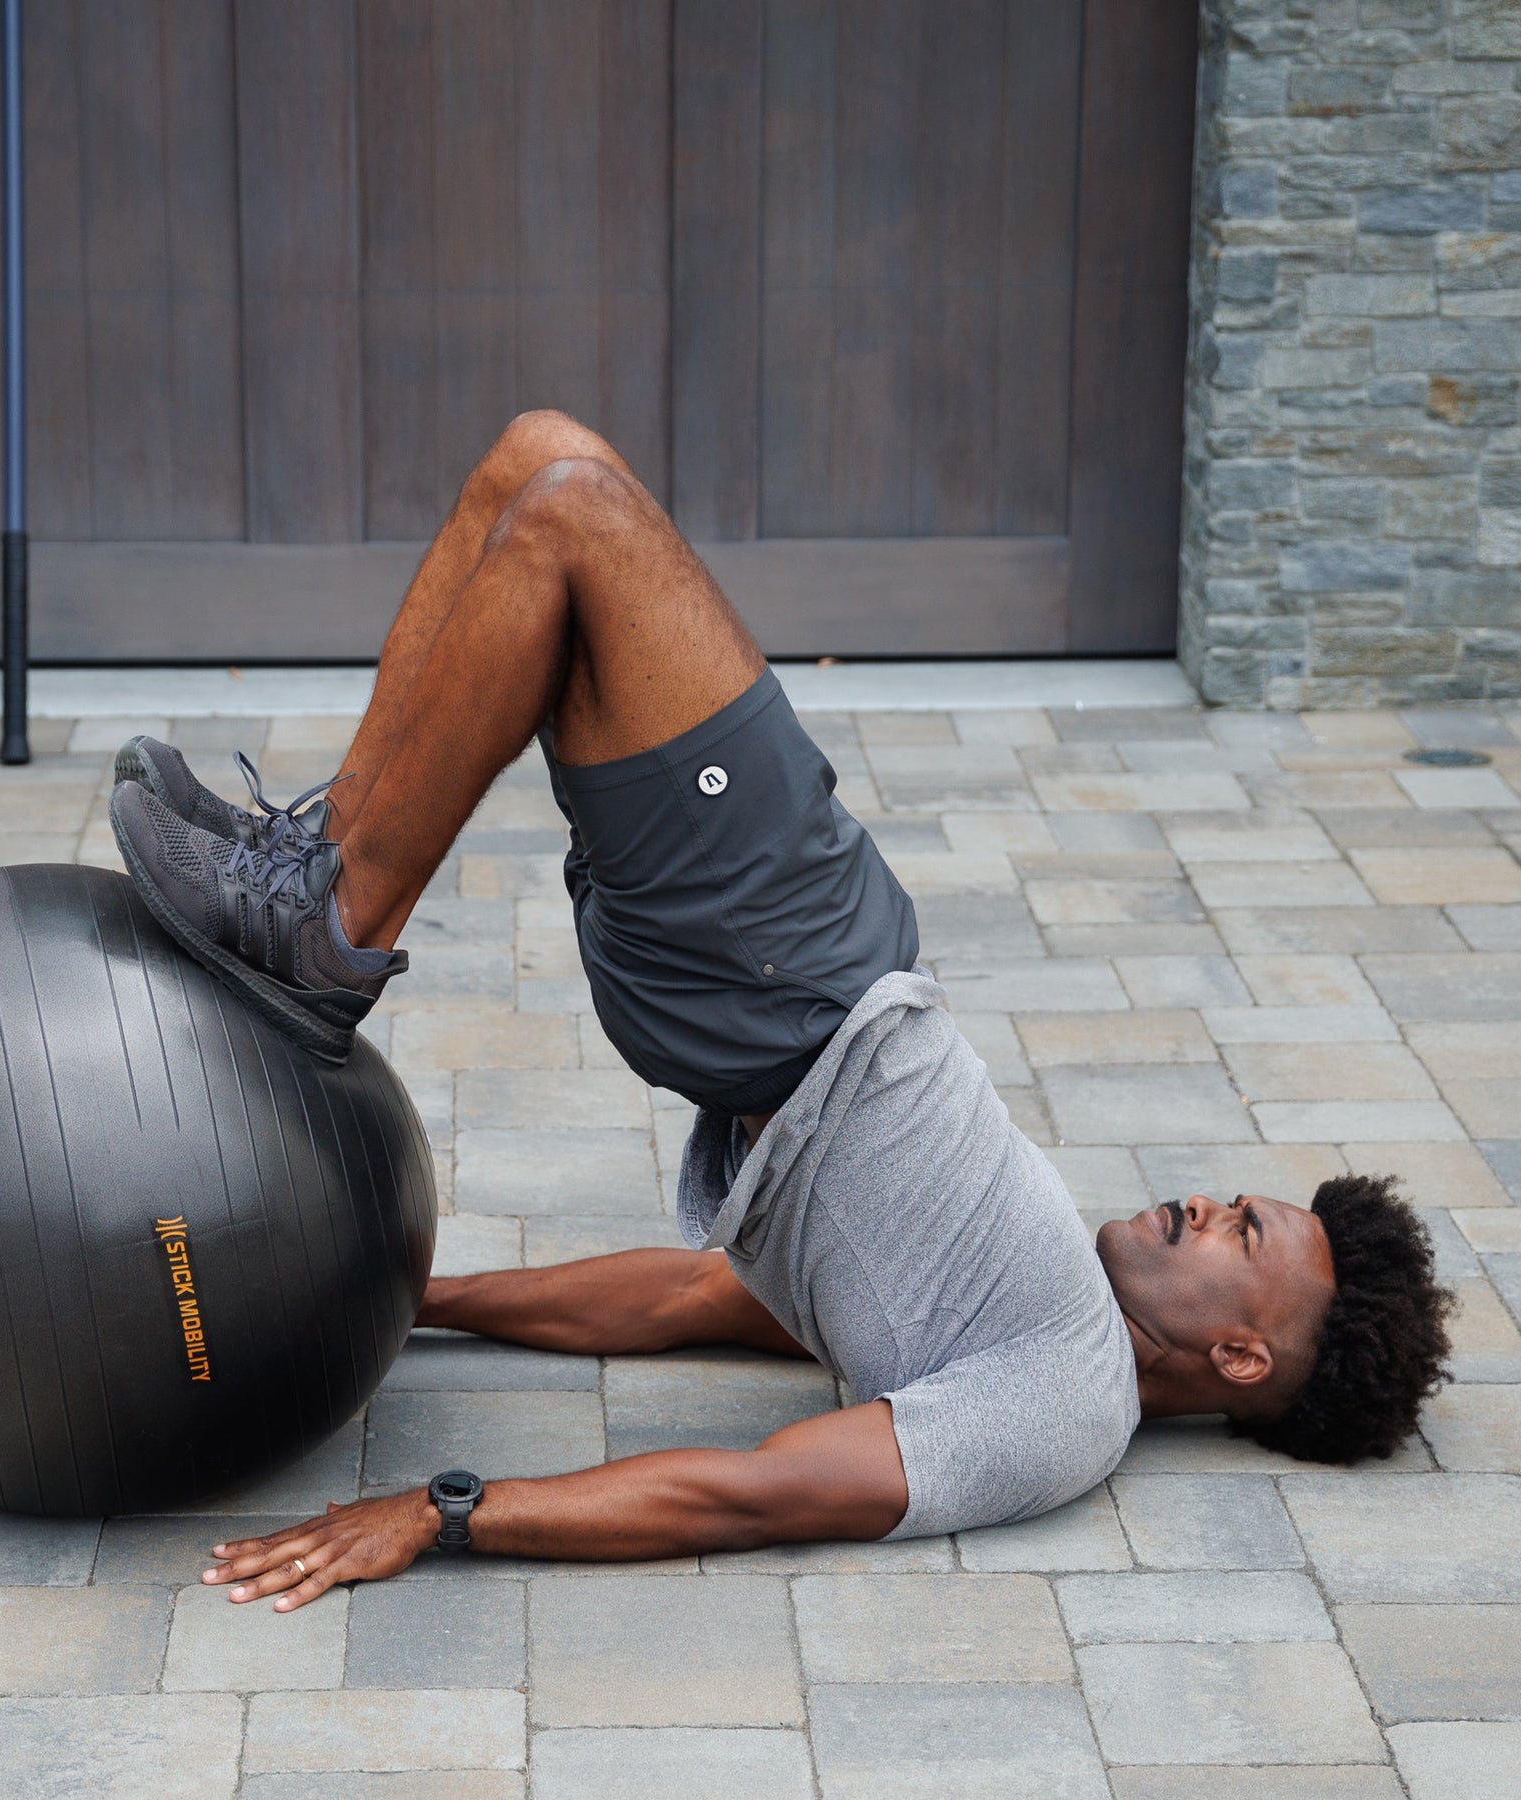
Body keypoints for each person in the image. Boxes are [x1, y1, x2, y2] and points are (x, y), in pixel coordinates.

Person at [107, 410, 1456, 1613]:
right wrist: (418, 1301)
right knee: (533, 467)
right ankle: (316, 871)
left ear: (1236, 1350)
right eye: (1240, 1199)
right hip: (783, 973)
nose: (1212, 1203)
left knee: (576, 508)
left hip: (788, 972)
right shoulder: (1019, 1315)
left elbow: (748, 1493)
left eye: (1245, 1232)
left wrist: (442, 1512)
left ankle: (323, 924)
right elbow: (698, 1297)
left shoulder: (1064, 1408)